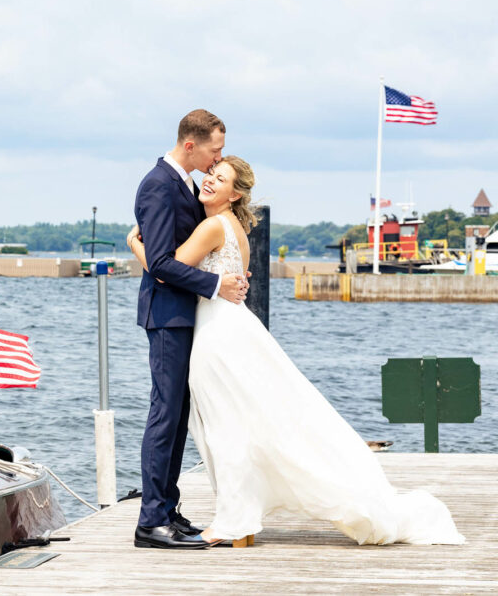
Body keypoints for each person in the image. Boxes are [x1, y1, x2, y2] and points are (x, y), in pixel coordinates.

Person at [128, 155, 464, 546]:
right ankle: (238, 519)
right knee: (241, 422)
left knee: (226, 428)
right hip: (233, 327)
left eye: (220, 179)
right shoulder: (235, 227)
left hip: (216, 334)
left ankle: (234, 521)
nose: (210, 182)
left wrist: (137, 244)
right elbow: (217, 275)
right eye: (211, 175)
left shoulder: (211, 226)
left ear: (235, 193)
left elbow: (162, 268)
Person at [130, 109, 249, 550]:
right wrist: (217, 285)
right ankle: (150, 521)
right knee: (165, 415)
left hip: (185, 316)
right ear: (190, 145)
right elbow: (161, 264)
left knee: (177, 418)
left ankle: (167, 509)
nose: (218, 158)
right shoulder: (159, 185)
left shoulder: (185, 186)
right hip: (167, 316)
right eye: (215, 149)